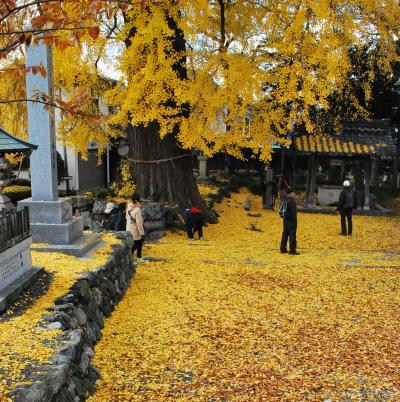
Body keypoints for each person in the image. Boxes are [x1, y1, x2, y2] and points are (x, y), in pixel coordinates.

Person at [126, 194, 146, 263]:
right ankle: (135, 259)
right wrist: (141, 233)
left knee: (137, 243)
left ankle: (132, 258)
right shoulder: (137, 210)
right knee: (138, 243)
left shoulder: (128, 207)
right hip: (135, 230)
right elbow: (139, 223)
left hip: (129, 228)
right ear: (137, 201)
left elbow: (126, 218)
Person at [280, 187, 300, 255]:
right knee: (292, 235)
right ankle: (292, 250)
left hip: (285, 220)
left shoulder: (284, 200)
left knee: (285, 234)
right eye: (294, 193)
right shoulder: (292, 202)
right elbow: (293, 213)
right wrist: (295, 222)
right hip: (291, 221)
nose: (294, 195)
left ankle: (283, 249)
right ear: (291, 193)